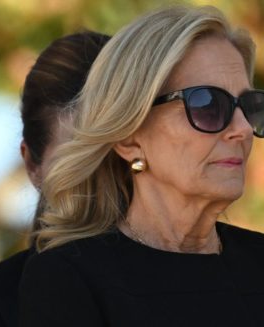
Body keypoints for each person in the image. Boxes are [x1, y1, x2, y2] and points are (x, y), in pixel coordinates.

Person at [20, 5, 264, 327]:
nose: (243, 129)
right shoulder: (70, 278)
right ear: (129, 138)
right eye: (207, 104)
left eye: (250, 106)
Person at [0, 31, 109, 327]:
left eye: (121, 152)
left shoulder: (201, 283)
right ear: (31, 164)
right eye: (78, 158)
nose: (105, 177)